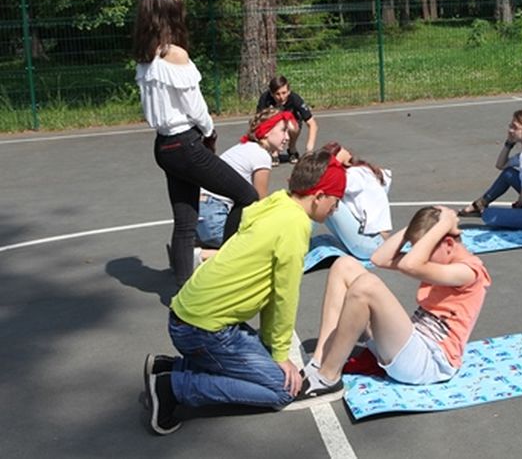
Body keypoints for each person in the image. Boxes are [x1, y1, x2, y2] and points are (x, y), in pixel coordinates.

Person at [142, 150, 346, 435]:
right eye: (335, 203)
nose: (335, 210)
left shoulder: (278, 203)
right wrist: (279, 354)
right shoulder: (295, 225)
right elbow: (284, 296)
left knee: (266, 362)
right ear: (319, 196)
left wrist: (271, 349)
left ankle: (172, 367)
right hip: (202, 329)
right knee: (281, 389)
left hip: (191, 315)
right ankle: (173, 388)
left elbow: (270, 290)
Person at [294, 206, 491, 404]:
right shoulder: (442, 260)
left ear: (448, 243)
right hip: (410, 345)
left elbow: (410, 265)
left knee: (367, 286)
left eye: (424, 250)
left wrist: (444, 225)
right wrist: (416, 228)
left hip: (429, 362)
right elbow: (379, 258)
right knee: (344, 265)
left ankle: (328, 378)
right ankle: (319, 361)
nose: (419, 255)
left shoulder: (468, 272)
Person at [133, 0, 259, 286]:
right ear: (170, 14)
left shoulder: (145, 57)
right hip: (185, 143)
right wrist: (209, 131)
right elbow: (196, 107)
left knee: (185, 222)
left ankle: (182, 292)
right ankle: (224, 269)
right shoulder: (175, 54)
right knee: (247, 196)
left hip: (164, 146)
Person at [194, 107, 293, 254]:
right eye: (283, 131)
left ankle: (195, 245)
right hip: (214, 216)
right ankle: (202, 256)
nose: (287, 137)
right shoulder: (261, 156)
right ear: (266, 131)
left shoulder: (243, 147)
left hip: (199, 213)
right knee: (250, 247)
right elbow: (261, 202)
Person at [316, 141, 393, 259]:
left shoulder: (356, 174)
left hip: (372, 244)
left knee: (324, 198)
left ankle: (295, 238)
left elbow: (334, 183)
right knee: (322, 199)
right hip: (372, 243)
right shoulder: (361, 171)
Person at [256, 75, 318, 164]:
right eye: (277, 94)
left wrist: (309, 149)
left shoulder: (295, 99)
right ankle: (274, 151)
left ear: (289, 91)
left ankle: (292, 148)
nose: (281, 97)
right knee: (268, 122)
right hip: (273, 125)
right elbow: (258, 122)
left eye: (284, 93)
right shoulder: (265, 99)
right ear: (271, 93)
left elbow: (312, 124)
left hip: (291, 124)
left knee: (291, 126)